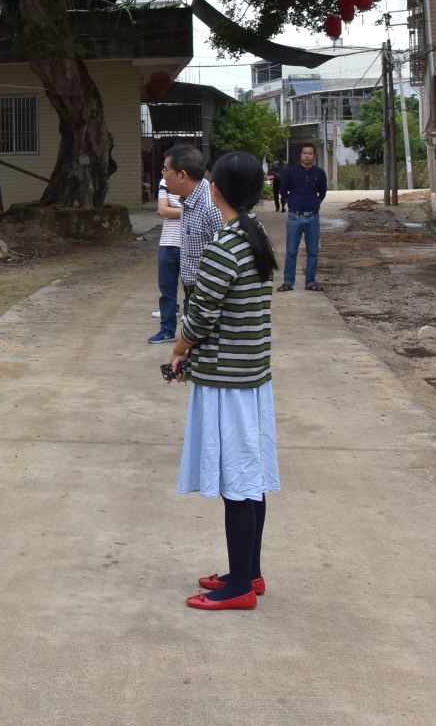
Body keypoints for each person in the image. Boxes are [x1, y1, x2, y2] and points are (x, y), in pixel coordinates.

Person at [168, 151, 279, 611]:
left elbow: (201, 315)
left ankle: (238, 591)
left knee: (237, 482)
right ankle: (247, 574)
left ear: (216, 189)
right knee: (250, 478)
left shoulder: (224, 243)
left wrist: (178, 350)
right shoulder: (254, 233)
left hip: (227, 382)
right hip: (251, 375)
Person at [161, 144, 223, 308]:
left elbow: (225, 262)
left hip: (208, 297)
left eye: (166, 170)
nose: (164, 176)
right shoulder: (188, 203)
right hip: (193, 293)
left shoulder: (210, 208)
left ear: (182, 175)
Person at [279, 142, 327, 292]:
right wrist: (293, 203)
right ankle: (288, 282)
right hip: (295, 217)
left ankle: (310, 282)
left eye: (310, 153)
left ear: (314, 156)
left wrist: (313, 204)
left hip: (313, 218)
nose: (307, 156)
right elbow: (283, 190)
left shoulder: (320, 174)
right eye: (304, 153)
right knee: (291, 251)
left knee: (313, 252)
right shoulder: (291, 172)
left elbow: (322, 193)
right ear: (300, 155)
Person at [149, 172, 184, 345]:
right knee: (167, 288)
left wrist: (172, 210)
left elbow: (206, 211)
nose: (164, 171)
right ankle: (167, 330)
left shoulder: (199, 183)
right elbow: (163, 210)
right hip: (168, 241)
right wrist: (187, 210)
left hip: (191, 242)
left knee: (193, 288)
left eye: (167, 166)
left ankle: (191, 333)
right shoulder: (165, 181)